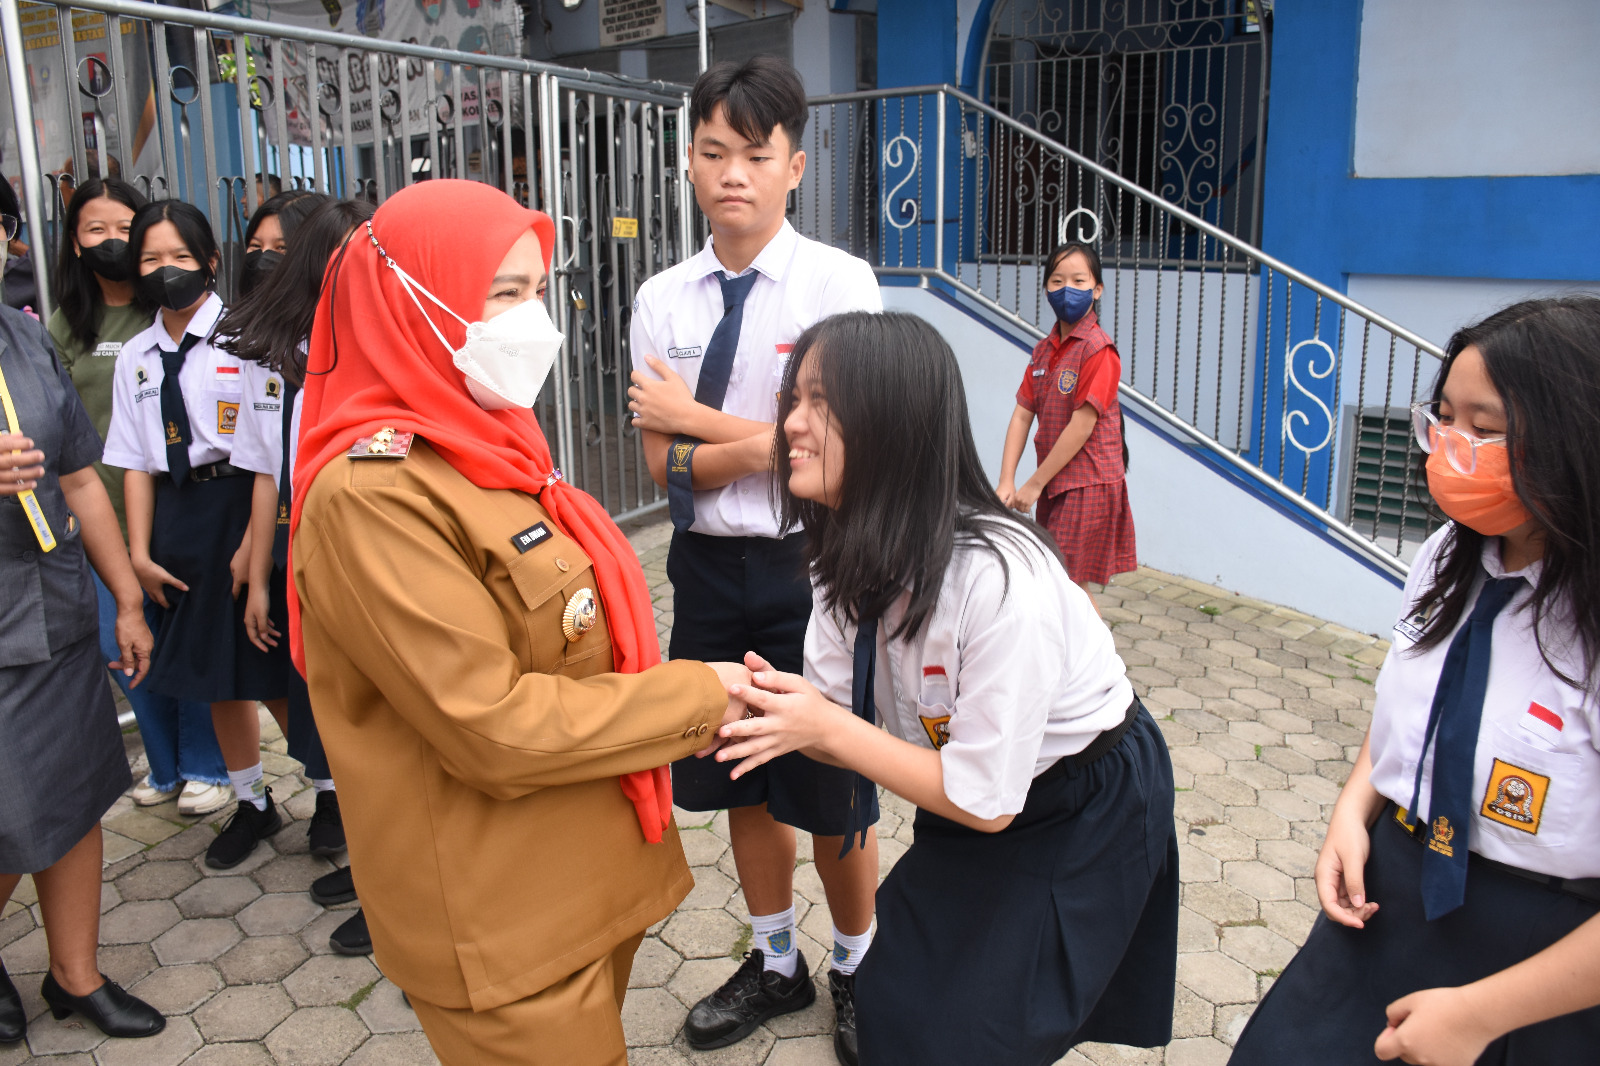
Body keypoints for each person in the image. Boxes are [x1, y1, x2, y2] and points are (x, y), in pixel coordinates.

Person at [289, 178, 752, 1065]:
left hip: (580, 878)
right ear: (411, 304)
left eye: (538, 289)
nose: (532, 319)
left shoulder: (491, 443)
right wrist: (695, 697)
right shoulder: (373, 497)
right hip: (499, 918)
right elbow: (489, 725)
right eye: (503, 293)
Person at [710, 310, 1179, 1064]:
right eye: (792, 399)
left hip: (1082, 799)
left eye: (820, 402)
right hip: (972, 781)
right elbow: (835, 717)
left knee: (974, 1029)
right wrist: (763, 703)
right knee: (902, 988)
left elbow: (982, 801)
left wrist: (823, 730)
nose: (791, 425)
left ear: (893, 423)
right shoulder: (846, 551)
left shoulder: (998, 579)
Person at [1229, 297, 1600, 1066]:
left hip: (1538, 958)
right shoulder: (1446, 556)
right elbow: (1418, 707)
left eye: (1486, 428)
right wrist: (1353, 809)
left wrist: (1480, 1015)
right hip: (1391, 893)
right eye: (1443, 418)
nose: (1454, 446)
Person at [626, 55, 883, 1059]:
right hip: (707, 570)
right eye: (711, 151)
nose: (731, 171)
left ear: (795, 166)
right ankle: (775, 959)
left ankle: (860, 964)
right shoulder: (663, 300)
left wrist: (699, 425)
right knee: (738, 772)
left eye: (754, 153)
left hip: (816, 572)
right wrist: (769, 438)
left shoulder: (839, 285)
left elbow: (847, 449)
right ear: (689, 164)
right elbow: (662, 467)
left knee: (827, 781)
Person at [103, 200, 291, 870]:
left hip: (242, 505)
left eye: (180, 258)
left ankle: (333, 795)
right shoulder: (137, 357)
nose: (165, 271)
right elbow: (132, 464)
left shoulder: (246, 336)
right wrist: (140, 554)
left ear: (211, 261)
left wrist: (255, 539)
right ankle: (253, 802)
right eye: (151, 259)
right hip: (179, 517)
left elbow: (268, 452)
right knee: (216, 678)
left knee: (270, 662)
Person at [0, 293, 164, 1043]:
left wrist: (126, 600)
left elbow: (77, 477)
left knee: (73, 792)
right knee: (11, 811)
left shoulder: (28, 340)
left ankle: (75, 974)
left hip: (54, 612)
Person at [214, 195, 375, 955]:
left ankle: (394, 891)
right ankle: (381, 869)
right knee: (335, 726)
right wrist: (259, 571)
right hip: (308, 557)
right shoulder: (292, 348)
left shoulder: (384, 343)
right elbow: (269, 469)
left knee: (379, 728)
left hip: (371, 565)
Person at [46, 175, 232, 816]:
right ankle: (165, 766)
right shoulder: (73, 329)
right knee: (124, 644)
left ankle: (216, 768)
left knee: (191, 642)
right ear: (72, 241)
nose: (114, 243)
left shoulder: (200, 327)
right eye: (95, 229)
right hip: (100, 511)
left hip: (180, 507)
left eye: (125, 230)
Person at [996, 241, 1135, 601]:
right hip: (1057, 482)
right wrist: (1007, 481)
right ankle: (1084, 655)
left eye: (1078, 280)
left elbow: (1082, 425)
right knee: (1063, 581)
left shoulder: (1098, 350)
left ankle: (1100, 658)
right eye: (1057, 281)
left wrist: (1034, 484)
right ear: (1046, 289)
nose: (1067, 290)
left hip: (1087, 481)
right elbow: (1023, 414)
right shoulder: (1043, 351)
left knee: (1067, 584)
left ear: (1097, 289)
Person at [237, 189, 322, 298]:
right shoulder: (240, 314)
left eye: (281, 247)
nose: (263, 257)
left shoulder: (332, 313)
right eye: (256, 245)